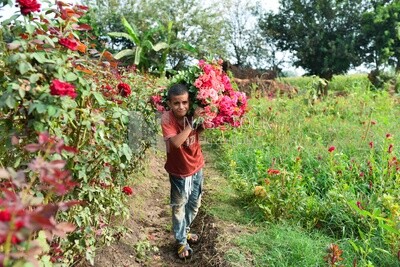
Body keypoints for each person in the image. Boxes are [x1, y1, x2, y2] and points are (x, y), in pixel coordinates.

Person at [161, 83, 205, 259]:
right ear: (170, 104)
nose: (182, 107)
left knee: (194, 205)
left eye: (185, 102)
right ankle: (180, 242)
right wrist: (192, 122)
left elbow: (203, 128)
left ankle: (184, 231)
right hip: (179, 172)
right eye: (177, 103)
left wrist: (208, 114)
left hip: (197, 166)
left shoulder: (193, 114)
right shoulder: (167, 119)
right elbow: (176, 143)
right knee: (179, 208)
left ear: (190, 101)